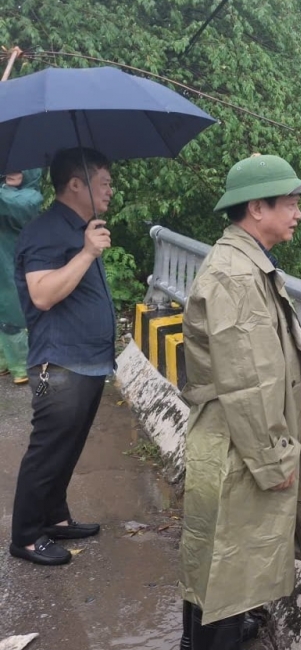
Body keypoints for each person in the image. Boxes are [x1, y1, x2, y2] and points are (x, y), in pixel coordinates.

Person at [179, 154, 301, 649]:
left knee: (216, 566)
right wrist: (273, 457)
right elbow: (249, 381)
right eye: (289, 204)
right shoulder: (238, 277)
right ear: (256, 209)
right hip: (239, 445)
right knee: (227, 571)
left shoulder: (240, 263)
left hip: (229, 438)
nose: (298, 214)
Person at [8, 148, 116, 566]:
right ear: (77, 183)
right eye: (104, 182)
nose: (110, 190)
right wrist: (87, 253)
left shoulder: (79, 227)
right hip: (61, 362)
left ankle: (54, 517)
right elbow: (42, 293)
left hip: (87, 361)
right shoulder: (46, 231)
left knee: (68, 448)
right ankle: (27, 536)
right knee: (48, 451)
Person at [0, 168, 44, 385]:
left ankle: (21, 365)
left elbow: (15, 207)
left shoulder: (31, 196)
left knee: (12, 313)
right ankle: (5, 362)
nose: (12, 171)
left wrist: (5, 189)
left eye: (20, 167)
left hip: (12, 265)